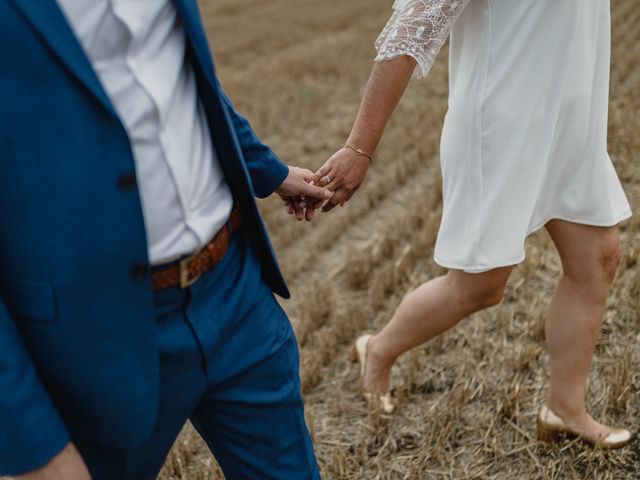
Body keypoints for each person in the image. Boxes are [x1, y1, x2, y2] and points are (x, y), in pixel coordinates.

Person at [0, 0, 331, 478]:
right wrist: (33, 447)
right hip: (89, 340)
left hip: (236, 293)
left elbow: (173, 73)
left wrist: (268, 170)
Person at [311, 0, 633, 448]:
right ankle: (378, 348)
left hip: (571, 125)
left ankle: (565, 409)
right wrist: (359, 147)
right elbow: (414, 24)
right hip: (501, 131)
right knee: (480, 286)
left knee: (598, 260)